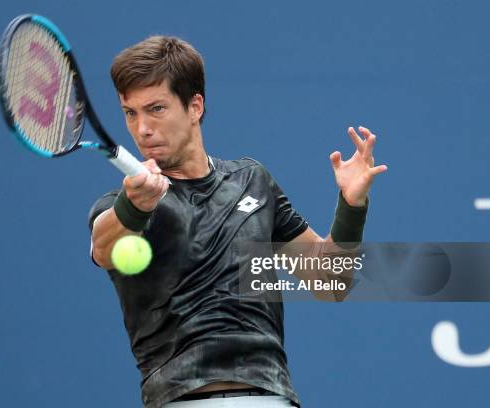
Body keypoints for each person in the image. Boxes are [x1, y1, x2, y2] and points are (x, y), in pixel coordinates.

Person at [88, 36, 387, 408]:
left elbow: (330, 281)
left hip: (271, 397)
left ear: (195, 106)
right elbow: (104, 246)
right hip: (183, 398)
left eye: (156, 109)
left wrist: (351, 205)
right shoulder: (123, 206)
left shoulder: (252, 181)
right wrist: (134, 206)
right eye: (130, 113)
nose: (142, 129)